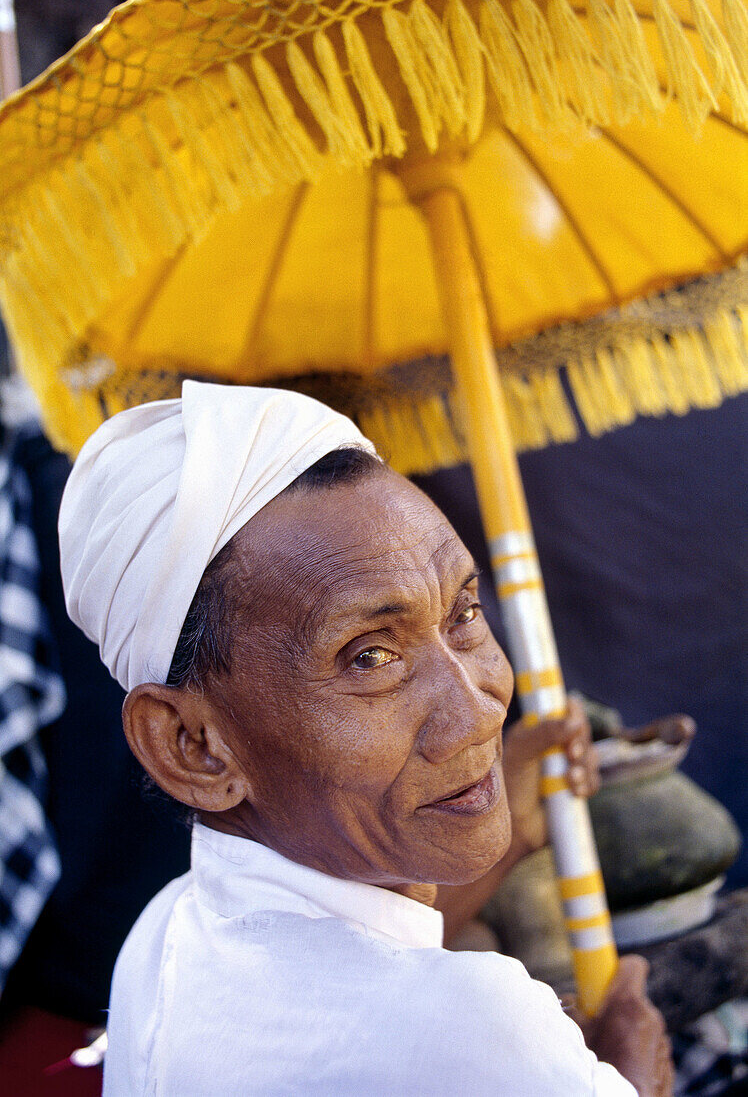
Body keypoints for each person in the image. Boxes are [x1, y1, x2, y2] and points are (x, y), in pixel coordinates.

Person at [59, 381, 672, 1096]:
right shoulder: (477, 1036)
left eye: (464, 612)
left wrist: (505, 845)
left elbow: (354, 959)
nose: (477, 710)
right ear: (192, 746)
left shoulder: (165, 938)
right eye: (370, 657)